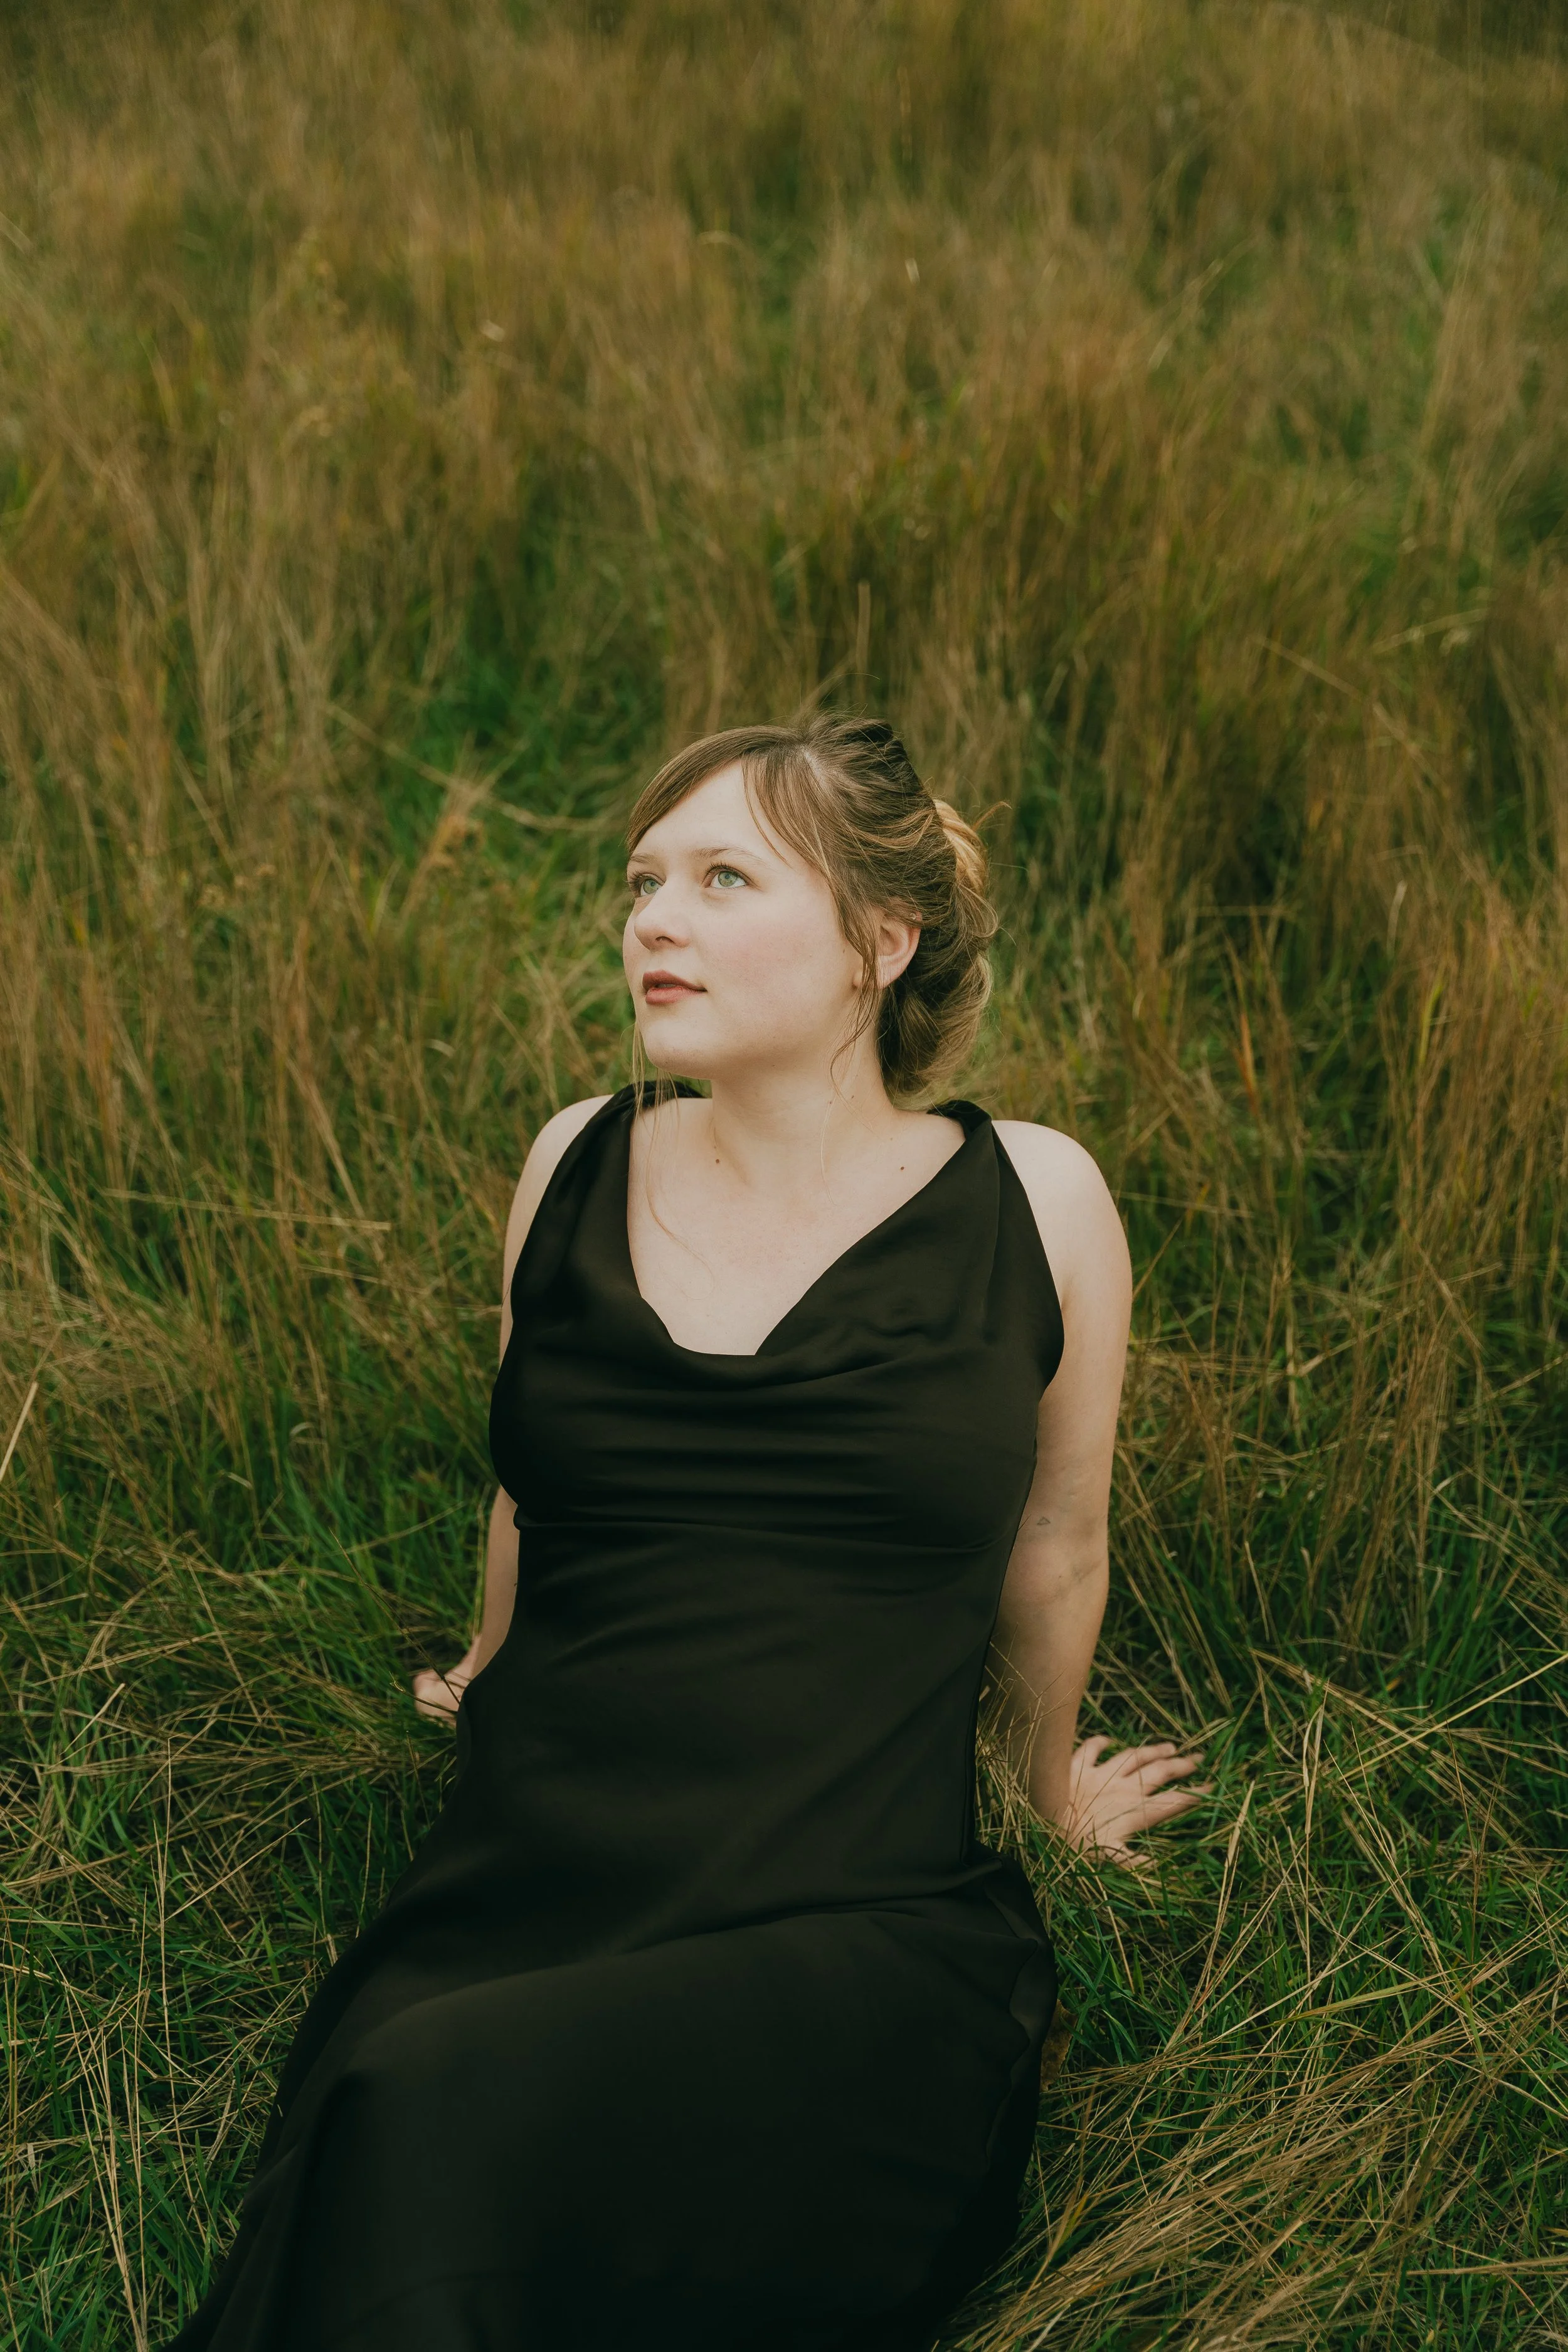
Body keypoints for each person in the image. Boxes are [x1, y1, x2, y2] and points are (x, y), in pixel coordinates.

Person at [169, 718, 1204, 2352]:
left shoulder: (1038, 1198)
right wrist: (488, 1662)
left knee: (450, 2112)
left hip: (843, 1895)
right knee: (400, 2087)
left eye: (724, 877)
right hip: (545, 1852)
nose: (653, 915)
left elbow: (1054, 1547)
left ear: (883, 939)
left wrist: (1044, 1781)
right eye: (644, 878)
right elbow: (534, 1485)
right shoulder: (575, 1159)